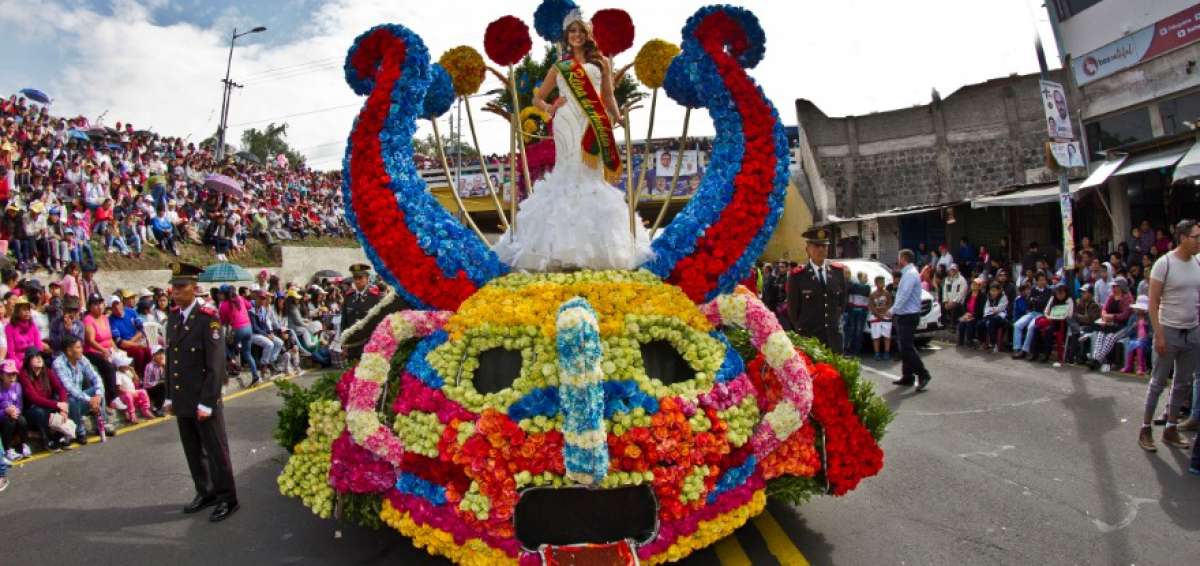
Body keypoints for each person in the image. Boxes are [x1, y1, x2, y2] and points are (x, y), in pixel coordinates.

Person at [491, 12, 652, 271]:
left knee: (591, 174)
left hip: (592, 121)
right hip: (565, 121)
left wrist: (618, 117)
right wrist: (550, 107)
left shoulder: (601, 63)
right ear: (567, 37)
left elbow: (608, 96)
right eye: (571, 32)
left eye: (580, 31)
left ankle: (596, 245)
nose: (576, 36)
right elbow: (537, 98)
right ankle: (557, 247)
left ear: (587, 35)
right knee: (568, 170)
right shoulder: (560, 66)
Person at [163, 262, 238, 522]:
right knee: (193, 449)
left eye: (181, 287)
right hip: (184, 396)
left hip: (204, 398)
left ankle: (228, 498)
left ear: (195, 289)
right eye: (174, 286)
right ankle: (205, 491)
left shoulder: (208, 317)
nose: (175, 291)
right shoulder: (173, 316)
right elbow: (172, 359)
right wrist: (170, 395)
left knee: (216, 450)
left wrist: (208, 401)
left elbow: (216, 364)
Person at [1139, 219, 1200, 452]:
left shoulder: (1197, 263)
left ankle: (1171, 428)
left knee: (1183, 384)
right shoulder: (1164, 264)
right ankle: (1145, 428)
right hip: (1168, 331)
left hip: (1192, 333)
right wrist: (1159, 335)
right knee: (1157, 383)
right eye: (1195, 237)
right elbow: (1153, 302)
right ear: (1183, 238)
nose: (1198, 241)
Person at [787, 228, 847, 353]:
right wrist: (802, 331)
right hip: (809, 341)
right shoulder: (798, 276)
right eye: (816, 246)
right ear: (807, 249)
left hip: (833, 340)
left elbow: (842, 303)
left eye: (824, 246)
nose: (821, 249)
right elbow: (793, 311)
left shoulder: (837, 272)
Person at [51, 335, 112, 442]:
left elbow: (95, 376)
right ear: (69, 351)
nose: (81, 350)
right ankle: (79, 431)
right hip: (64, 403)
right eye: (78, 347)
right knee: (72, 399)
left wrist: (97, 395)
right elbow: (70, 388)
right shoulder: (58, 364)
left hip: (80, 398)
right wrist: (90, 400)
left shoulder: (82, 358)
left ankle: (102, 424)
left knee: (97, 390)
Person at [891, 249, 932, 391]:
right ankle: (908, 376)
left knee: (907, 347)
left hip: (908, 315)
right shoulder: (908, 273)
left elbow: (904, 295)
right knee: (903, 346)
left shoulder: (910, 274)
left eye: (899, 258)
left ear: (903, 258)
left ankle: (923, 374)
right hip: (904, 314)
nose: (898, 261)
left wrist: (893, 310)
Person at [19, 349, 74, 451]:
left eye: (40, 355)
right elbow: (33, 398)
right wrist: (57, 404)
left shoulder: (47, 371)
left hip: (47, 406)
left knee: (66, 402)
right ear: (28, 361)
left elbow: (61, 389)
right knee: (39, 412)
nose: (39, 358)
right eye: (35, 356)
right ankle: (48, 440)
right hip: (31, 410)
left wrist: (63, 407)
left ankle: (60, 437)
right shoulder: (23, 375)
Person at [217, 284, 260, 386]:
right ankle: (255, 376)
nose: (218, 296)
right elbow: (249, 306)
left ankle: (234, 366)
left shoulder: (224, 305)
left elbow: (222, 322)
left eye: (220, 294)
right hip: (248, 328)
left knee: (226, 346)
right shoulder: (240, 298)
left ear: (224, 294)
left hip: (238, 329)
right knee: (247, 353)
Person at [339, 263, 380, 361]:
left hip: (368, 345)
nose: (357, 281)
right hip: (352, 346)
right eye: (355, 278)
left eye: (360, 278)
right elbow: (344, 323)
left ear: (367, 278)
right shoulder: (349, 297)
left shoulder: (374, 298)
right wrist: (344, 345)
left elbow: (378, 323)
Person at [1012, 272, 1052, 359]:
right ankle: (1017, 348)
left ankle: (1024, 350)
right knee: (1017, 325)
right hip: (1032, 312)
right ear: (1036, 281)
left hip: (1042, 314)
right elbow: (1029, 302)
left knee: (1031, 327)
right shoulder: (1034, 289)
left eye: (1044, 280)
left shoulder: (1049, 291)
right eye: (1040, 280)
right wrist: (1035, 300)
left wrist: (1035, 300)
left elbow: (1044, 303)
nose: (1043, 282)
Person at [111, 350, 154, 424]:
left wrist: (133, 372)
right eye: (126, 364)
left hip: (133, 392)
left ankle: (145, 409)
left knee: (143, 391)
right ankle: (132, 414)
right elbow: (119, 388)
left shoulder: (128, 372)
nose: (128, 365)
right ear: (120, 366)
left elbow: (136, 380)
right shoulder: (118, 374)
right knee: (128, 396)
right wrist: (129, 392)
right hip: (124, 395)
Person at [0, 360, 29, 461]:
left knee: (22, 420)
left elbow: (20, 405)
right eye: (8, 374)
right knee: (9, 422)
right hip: (3, 417)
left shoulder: (18, 386)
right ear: (1, 375)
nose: (12, 377)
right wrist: (5, 412)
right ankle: (8, 449)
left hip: (14, 414)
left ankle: (24, 445)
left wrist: (16, 411)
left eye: (14, 374)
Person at [1120, 296, 1153, 376]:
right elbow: (1127, 332)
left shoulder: (1149, 318)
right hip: (1134, 339)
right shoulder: (1133, 317)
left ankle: (1141, 368)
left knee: (1139, 344)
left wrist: (1146, 330)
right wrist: (1133, 326)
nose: (1139, 310)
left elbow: (1152, 333)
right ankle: (1129, 366)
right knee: (1133, 343)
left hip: (1147, 342)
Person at [843, 271, 871, 355]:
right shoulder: (861, 287)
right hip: (858, 311)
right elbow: (851, 298)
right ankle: (853, 349)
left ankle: (854, 349)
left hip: (858, 311)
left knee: (855, 330)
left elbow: (852, 298)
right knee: (855, 330)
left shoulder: (864, 287)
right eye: (865, 277)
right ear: (860, 278)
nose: (866, 279)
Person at [867, 275, 893, 361]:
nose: (882, 284)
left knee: (887, 336)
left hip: (885, 317)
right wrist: (878, 314)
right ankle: (877, 353)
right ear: (876, 283)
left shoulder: (887, 293)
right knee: (876, 336)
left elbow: (889, 303)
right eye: (880, 282)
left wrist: (885, 312)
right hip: (876, 317)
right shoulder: (873, 295)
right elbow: (871, 306)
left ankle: (886, 352)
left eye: (883, 282)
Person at [980, 282, 1008, 353]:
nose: (993, 292)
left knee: (991, 322)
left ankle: (993, 344)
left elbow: (1000, 308)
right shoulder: (989, 297)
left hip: (1001, 318)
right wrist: (992, 310)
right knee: (980, 324)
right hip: (990, 315)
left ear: (999, 291)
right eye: (991, 290)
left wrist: (992, 309)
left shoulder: (1003, 297)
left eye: (995, 290)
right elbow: (986, 309)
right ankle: (983, 342)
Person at [956, 278, 985, 347]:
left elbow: (981, 309)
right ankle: (960, 341)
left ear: (980, 286)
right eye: (973, 284)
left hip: (976, 316)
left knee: (970, 322)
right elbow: (964, 306)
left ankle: (970, 340)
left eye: (976, 284)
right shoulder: (969, 294)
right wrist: (966, 314)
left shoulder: (982, 296)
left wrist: (972, 315)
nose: (973, 285)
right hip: (967, 314)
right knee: (961, 323)